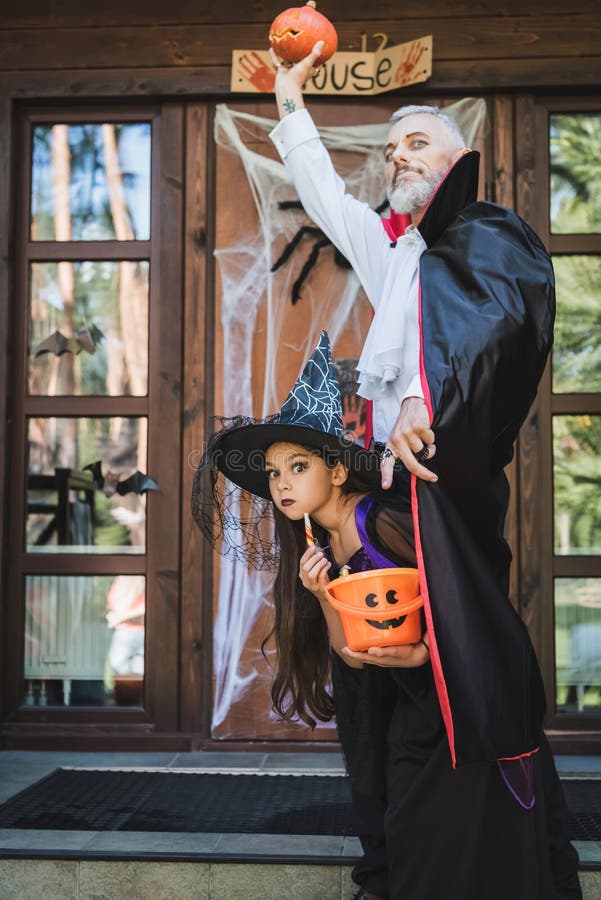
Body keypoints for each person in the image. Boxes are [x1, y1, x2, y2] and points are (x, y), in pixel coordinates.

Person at [265, 45, 582, 900]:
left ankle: (494, 827)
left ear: (454, 163)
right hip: (386, 482)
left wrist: (425, 404)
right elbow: (329, 200)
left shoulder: (493, 238)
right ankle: (396, 841)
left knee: (461, 638)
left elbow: (492, 330)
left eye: (417, 144)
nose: (399, 154)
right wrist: (290, 98)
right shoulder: (391, 250)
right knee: (380, 645)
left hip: (444, 476)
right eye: (394, 144)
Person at [194, 332, 566, 900]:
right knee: (407, 833)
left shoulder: (385, 520)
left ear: (337, 472)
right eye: (273, 474)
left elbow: (465, 594)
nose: (282, 483)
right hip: (404, 708)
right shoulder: (318, 546)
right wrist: (321, 594)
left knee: (451, 840)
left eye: (297, 466)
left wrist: (423, 652)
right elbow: (353, 656)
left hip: (452, 703)